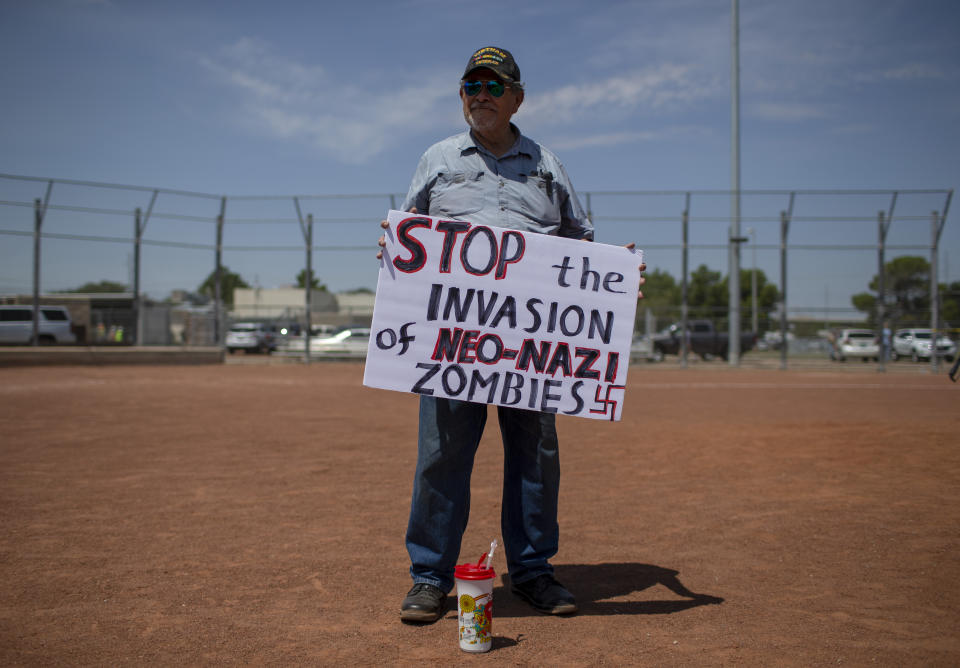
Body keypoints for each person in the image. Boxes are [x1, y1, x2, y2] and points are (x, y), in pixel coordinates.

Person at [378, 46, 645, 623]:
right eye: (471, 85)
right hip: (455, 344)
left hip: (532, 348)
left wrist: (613, 275)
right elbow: (409, 236)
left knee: (535, 457)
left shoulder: (547, 165)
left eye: (493, 86)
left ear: (517, 98)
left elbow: (579, 241)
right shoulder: (438, 159)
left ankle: (532, 572)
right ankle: (429, 577)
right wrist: (394, 248)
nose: (480, 95)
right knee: (442, 456)